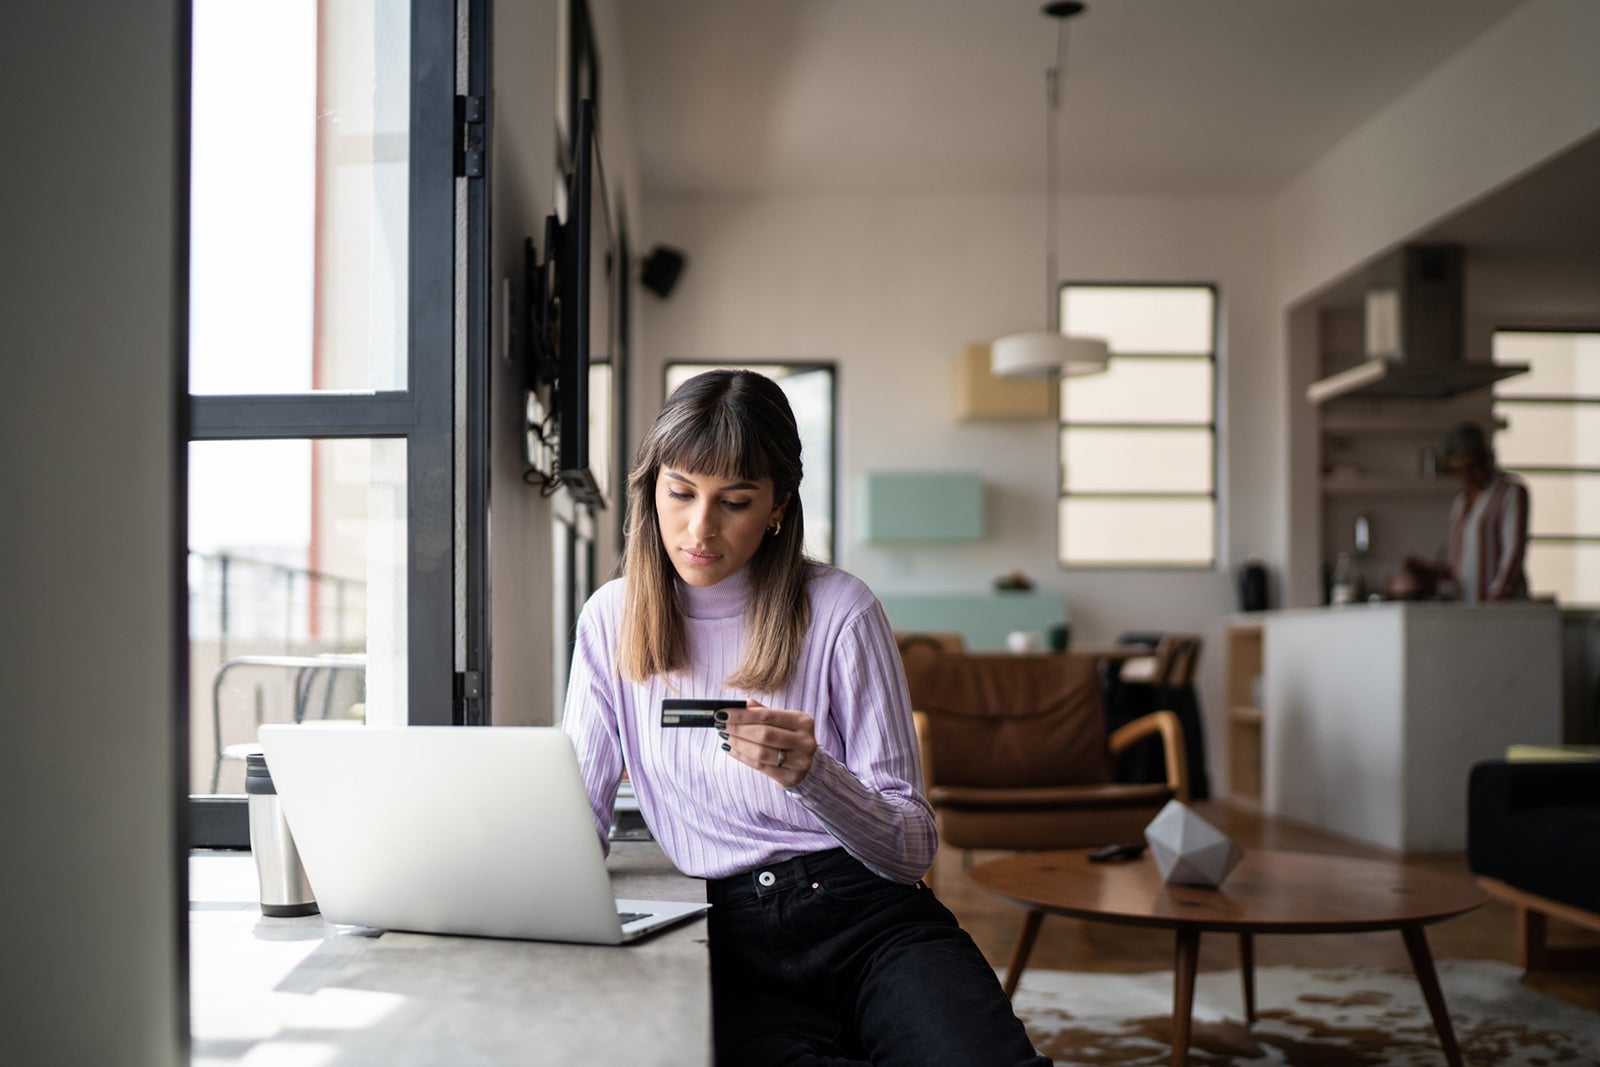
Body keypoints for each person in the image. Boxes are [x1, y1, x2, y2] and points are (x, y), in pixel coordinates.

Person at [562, 370, 1050, 1067]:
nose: (699, 528)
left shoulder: (842, 610)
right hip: (728, 939)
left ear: (778, 506)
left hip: (870, 916)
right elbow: (580, 817)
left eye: (734, 501)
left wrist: (813, 774)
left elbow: (912, 847)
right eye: (680, 493)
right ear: (651, 489)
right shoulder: (610, 620)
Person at [1406, 421, 1530, 602]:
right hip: (1467, 607)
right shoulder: (1461, 501)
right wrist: (1430, 571)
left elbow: (1514, 552)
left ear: (1486, 458)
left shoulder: (1510, 494)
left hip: (1500, 609)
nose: (1467, 477)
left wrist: (1497, 598)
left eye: (1471, 468)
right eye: (1459, 471)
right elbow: (1460, 564)